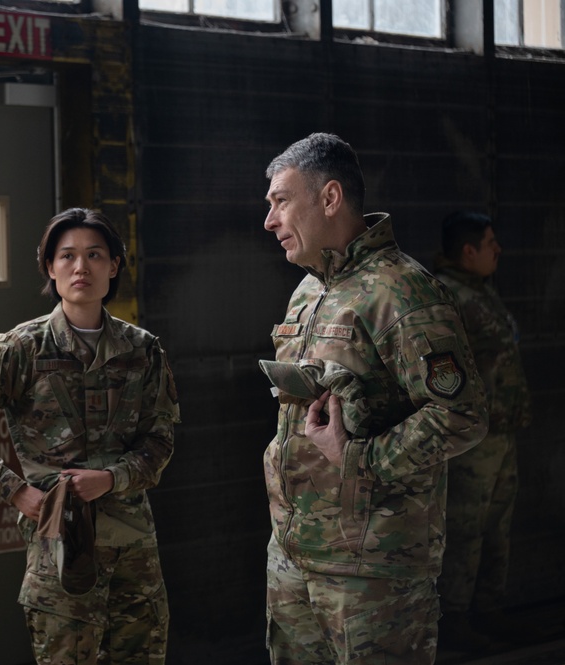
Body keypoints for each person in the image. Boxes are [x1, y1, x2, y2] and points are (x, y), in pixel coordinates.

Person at [259, 133, 489, 665]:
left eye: (280, 201)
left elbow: (462, 414)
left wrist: (362, 458)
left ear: (330, 198)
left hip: (373, 569)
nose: (269, 220)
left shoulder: (402, 291)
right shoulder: (308, 291)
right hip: (294, 557)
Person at [0, 207, 179, 664]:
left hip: (134, 552)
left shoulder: (143, 349)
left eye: (95, 255)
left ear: (114, 266)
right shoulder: (21, 348)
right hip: (59, 552)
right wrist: (15, 490)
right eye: (68, 256)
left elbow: (161, 440)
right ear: (50, 267)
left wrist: (113, 479)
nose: (82, 267)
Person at [434, 211, 532, 652]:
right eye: (490, 242)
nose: (498, 250)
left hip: (500, 432)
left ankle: (488, 609)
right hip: (472, 440)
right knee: (466, 530)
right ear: (468, 251)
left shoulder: (481, 291)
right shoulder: (448, 296)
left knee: (496, 527)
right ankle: (455, 619)